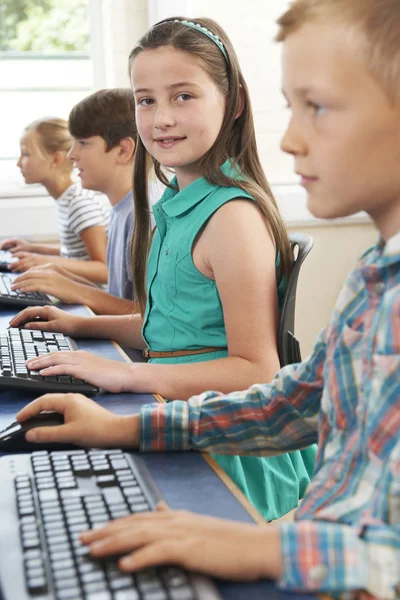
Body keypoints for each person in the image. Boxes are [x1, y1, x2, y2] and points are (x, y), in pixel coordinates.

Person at [14, 0, 400, 596]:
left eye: (317, 106)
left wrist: (262, 545)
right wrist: (127, 424)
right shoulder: (373, 276)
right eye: (147, 100)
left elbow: (383, 550)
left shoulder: (234, 216)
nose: (291, 139)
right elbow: (289, 402)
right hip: (311, 532)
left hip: (304, 535)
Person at [10, 17, 317, 521]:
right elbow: (170, 325)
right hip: (175, 401)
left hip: (225, 443)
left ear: (234, 102)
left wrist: (122, 373)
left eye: (183, 96)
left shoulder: (230, 217)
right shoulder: (178, 200)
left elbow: (255, 371)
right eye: (146, 100)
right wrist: (77, 323)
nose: (161, 118)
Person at [9, 89, 162, 315]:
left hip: (132, 351)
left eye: (82, 143)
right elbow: (119, 297)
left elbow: (149, 318)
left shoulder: (144, 214)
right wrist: (61, 278)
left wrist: (77, 295)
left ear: (123, 150)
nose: (71, 155)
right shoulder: (121, 208)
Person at [0, 117, 111, 284]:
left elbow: (105, 270)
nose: (18, 163)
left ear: (56, 159)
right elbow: (75, 255)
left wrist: (43, 261)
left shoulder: (80, 203)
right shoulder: (67, 199)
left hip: (93, 303)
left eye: (26, 154)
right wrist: (33, 250)